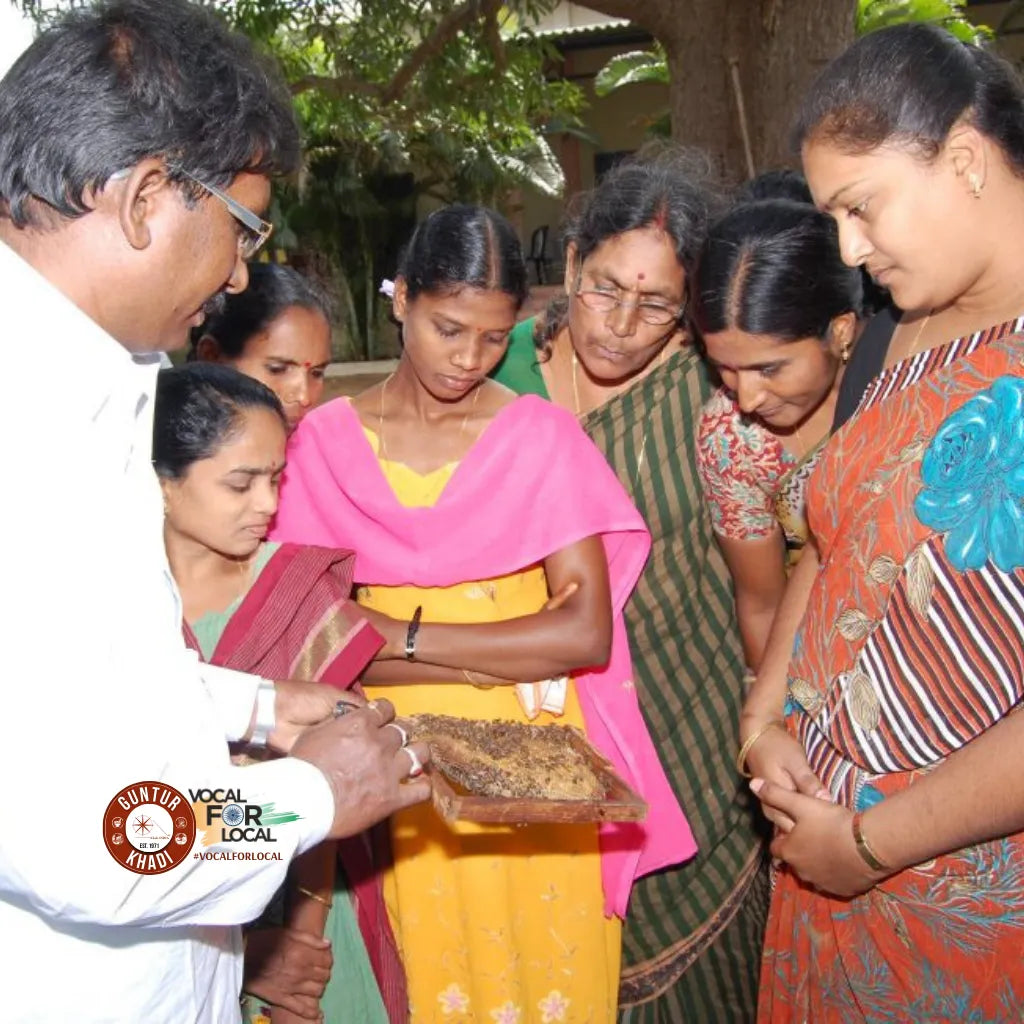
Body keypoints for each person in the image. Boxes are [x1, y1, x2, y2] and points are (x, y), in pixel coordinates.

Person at [0, 3, 429, 1020]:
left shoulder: (92, 381)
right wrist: (310, 793)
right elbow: (98, 834)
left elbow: (89, 690)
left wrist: (255, 708)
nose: (240, 274)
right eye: (241, 230)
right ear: (149, 196)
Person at [272, 203, 695, 1023]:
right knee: (429, 986)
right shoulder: (321, 447)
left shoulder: (540, 436)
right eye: (448, 327)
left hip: (534, 784)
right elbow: (310, 650)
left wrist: (402, 636)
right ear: (399, 299)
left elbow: (582, 633)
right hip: (394, 778)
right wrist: (492, 655)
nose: (469, 359)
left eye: (494, 338)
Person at [738, 23, 1024, 1021]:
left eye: (862, 209)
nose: (850, 251)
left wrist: (869, 844)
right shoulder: (892, 335)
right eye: (832, 220)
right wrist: (762, 717)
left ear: (963, 159)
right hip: (821, 862)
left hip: (971, 902)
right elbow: (830, 538)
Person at [493, 151, 766, 1024]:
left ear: (686, 312)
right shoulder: (500, 383)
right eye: (605, 287)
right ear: (571, 263)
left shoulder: (713, 399)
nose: (618, 323)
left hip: (695, 734)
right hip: (544, 747)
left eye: (654, 304)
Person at [154, 362, 404, 1024]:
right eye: (240, 483)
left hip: (291, 905)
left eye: (275, 479)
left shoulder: (289, 587)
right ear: (162, 483)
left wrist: (297, 939)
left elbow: (332, 790)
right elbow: (135, 840)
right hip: (168, 939)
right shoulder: (119, 611)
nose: (267, 503)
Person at [692, 199, 862, 668]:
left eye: (769, 367)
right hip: (822, 662)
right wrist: (775, 718)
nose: (746, 397)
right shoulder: (732, 437)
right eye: (724, 367)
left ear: (841, 331)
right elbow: (763, 603)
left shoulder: (899, 383)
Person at [190, 261, 333, 432]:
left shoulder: (316, 451)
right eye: (277, 369)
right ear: (211, 356)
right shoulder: (159, 449)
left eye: (317, 373)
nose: (304, 397)